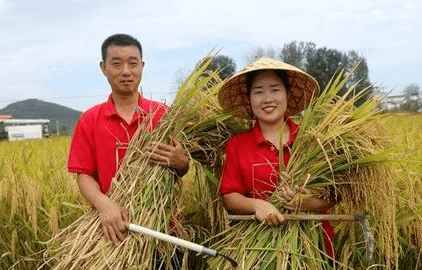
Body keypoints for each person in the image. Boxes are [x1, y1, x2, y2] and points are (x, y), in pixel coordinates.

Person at [67, 33, 189, 247]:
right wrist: (104, 206)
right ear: (103, 67)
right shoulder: (90, 119)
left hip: (163, 227)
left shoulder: (164, 115)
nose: (125, 71)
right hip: (112, 230)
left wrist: (181, 163)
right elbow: (84, 176)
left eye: (133, 63)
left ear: (142, 66)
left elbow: (182, 166)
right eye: (116, 64)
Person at [217, 57, 336, 257]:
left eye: (275, 89)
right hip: (258, 248)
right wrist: (258, 205)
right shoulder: (237, 145)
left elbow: (335, 194)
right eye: (258, 92)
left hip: (315, 247)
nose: (267, 99)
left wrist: (309, 203)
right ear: (249, 99)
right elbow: (230, 196)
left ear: (288, 94)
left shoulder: (312, 141)